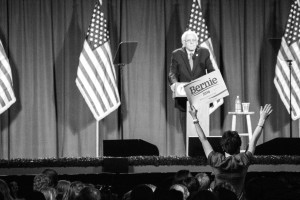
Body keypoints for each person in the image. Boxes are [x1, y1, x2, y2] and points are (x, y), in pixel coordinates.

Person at [189, 104, 272, 200]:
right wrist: (262, 120)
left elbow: (203, 140)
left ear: (223, 148)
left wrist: (195, 118)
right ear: (239, 147)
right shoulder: (243, 160)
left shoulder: (216, 160)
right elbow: (253, 141)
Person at [168, 30, 214, 136]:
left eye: (194, 40)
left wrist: (214, 83)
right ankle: (189, 153)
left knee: (202, 130)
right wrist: (174, 84)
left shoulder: (204, 52)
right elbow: (172, 73)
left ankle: (204, 152)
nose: (192, 43)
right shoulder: (177, 54)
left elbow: (211, 71)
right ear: (184, 42)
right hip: (184, 99)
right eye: (189, 40)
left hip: (201, 98)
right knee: (187, 132)